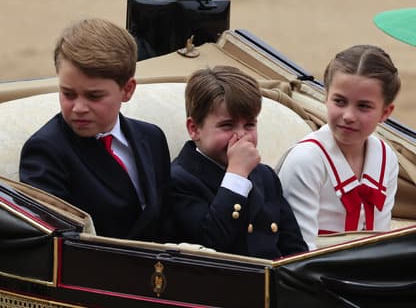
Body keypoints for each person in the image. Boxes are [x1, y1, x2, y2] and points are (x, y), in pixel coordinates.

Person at [19, 19, 171, 241]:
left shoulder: (152, 137)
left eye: (94, 96)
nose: (79, 108)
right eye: (68, 94)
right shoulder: (45, 152)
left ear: (127, 90)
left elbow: (167, 221)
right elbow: (59, 246)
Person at [169, 65, 308, 259]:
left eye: (249, 125)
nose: (242, 136)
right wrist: (236, 175)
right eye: (227, 125)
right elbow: (211, 243)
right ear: (194, 129)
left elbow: (295, 250)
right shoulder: (178, 180)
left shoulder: (264, 176)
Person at [277, 45, 401, 250]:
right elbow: (298, 252)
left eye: (363, 106)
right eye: (339, 101)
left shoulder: (387, 158)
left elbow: (381, 243)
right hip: (312, 274)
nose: (349, 116)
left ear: (385, 112)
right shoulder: (306, 159)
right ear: (325, 97)